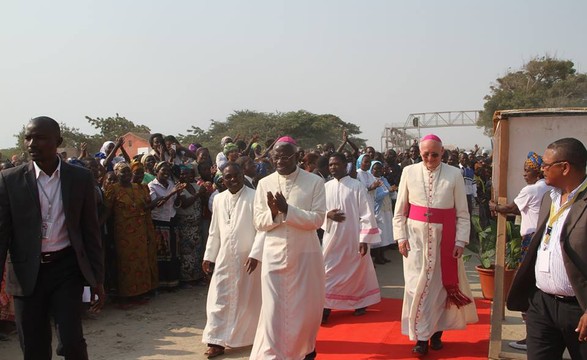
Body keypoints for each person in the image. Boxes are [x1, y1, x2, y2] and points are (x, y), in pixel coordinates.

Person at [0, 116, 105, 359]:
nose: (31, 144)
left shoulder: (79, 178)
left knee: (71, 342)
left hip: (66, 270)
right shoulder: (10, 180)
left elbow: (91, 232)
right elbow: (2, 234)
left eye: (40, 137)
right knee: (34, 346)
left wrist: (97, 278)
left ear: (57, 141)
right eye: (28, 138)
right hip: (26, 273)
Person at [393, 134, 477, 356]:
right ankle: (421, 336)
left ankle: (435, 332)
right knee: (416, 286)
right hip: (415, 240)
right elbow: (400, 210)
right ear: (419, 154)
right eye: (426, 154)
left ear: (442, 154)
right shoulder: (408, 172)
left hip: (445, 239)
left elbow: (462, 212)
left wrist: (460, 240)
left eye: (435, 154)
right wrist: (400, 237)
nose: (430, 158)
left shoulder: (454, 173)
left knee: (440, 287)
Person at [507, 138, 587, 359]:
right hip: (542, 305)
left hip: (578, 309)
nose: (541, 169)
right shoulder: (548, 198)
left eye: (545, 165)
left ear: (565, 167)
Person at [250, 136, 326, 360]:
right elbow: (258, 222)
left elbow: (318, 219)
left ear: (297, 156)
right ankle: (276, 354)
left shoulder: (314, 182)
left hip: (305, 255)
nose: (280, 160)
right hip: (273, 255)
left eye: (285, 155)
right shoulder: (264, 183)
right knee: (274, 310)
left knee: (305, 309)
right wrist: (274, 213)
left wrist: (288, 210)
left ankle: (304, 349)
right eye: (276, 156)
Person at [489, 151, 551, 351]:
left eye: (527, 171)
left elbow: (508, 208)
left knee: (525, 285)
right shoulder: (547, 188)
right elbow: (519, 210)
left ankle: (529, 337)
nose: (524, 175)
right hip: (543, 238)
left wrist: (494, 206)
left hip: (529, 241)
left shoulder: (530, 190)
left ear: (536, 173)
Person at [201, 163, 263, 358]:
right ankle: (216, 341)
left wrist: (256, 254)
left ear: (242, 174)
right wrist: (209, 256)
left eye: (236, 175)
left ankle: (246, 338)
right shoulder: (218, 199)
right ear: (222, 179)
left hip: (249, 259)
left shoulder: (254, 197)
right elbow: (214, 231)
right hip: (224, 259)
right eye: (228, 177)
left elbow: (262, 229)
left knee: (247, 301)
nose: (233, 180)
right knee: (218, 297)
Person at [321, 153, 381, 324]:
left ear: (345, 165)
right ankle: (326, 306)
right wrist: (328, 215)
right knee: (328, 271)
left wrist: (364, 239)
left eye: (336, 164)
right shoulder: (326, 187)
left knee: (356, 271)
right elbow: (317, 211)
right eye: (331, 165)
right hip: (332, 237)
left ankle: (359, 302)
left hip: (353, 238)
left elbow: (367, 213)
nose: (333, 167)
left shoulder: (357, 186)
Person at [102, 162, 157, 305]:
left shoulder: (139, 188)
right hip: (123, 233)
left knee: (141, 260)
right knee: (126, 263)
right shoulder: (112, 189)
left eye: (128, 172)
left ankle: (140, 292)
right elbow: (107, 211)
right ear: (116, 173)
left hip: (140, 231)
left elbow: (145, 207)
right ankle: (126, 296)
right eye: (123, 172)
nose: (126, 175)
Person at [148, 161, 186, 290]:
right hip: (159, 222)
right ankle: (162, 283)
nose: (166, 173)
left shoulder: (171, 184)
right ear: (156, 171)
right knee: (161, 254)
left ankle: (173, 282)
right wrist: (172, 192)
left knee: (174, 253)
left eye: (167, 171)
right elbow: (156, 203)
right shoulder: (152, 186)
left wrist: (178, 194)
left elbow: (175, 204)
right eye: (163, 171)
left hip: (171, 220)